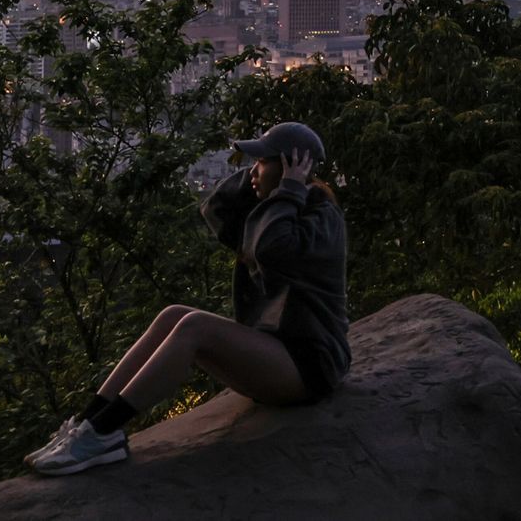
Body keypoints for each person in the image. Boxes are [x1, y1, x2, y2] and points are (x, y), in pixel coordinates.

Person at [26, 121, 351, 476]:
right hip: (274, 351)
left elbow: (273, 249)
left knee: (195, 327)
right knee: (173, 315)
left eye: (261, 164)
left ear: (288, 168)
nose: (252, 172)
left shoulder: (320, 218)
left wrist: (288, 188)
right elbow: (217, 209)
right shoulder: (275, 207)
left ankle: (105, 434)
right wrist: (269, 179)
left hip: (310, 365)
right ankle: (89, 424)